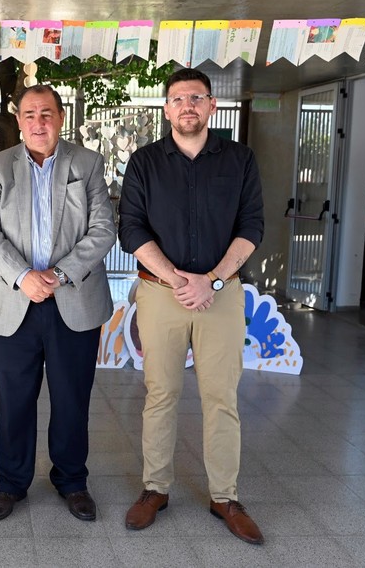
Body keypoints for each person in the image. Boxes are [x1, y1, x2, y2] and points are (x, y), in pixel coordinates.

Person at [118, 68, 265, 544]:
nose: (187, 106)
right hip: (162, 295)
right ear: (166, 109)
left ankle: (225, 496)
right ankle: (155, 488)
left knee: (222, 397)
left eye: (196, 98)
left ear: (211, 106)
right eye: (178, 99)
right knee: (161, 394)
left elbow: (252, 226)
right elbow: (132, 229)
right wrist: (178, 279)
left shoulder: (240, 160)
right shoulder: (144, 162)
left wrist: (213, 281)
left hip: (220, 296)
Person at [0, 84, 116, 522]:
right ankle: (11, 483)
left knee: (72, 398)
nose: (39, 122)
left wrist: (57, 274)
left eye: (47, 113)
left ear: (60, 117)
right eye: (30, 114)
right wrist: (23, 276)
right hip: (15, 302)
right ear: (19, 121)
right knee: (13, 401)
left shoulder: (87, 163)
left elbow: (104, 228)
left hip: (72, 298)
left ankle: (72, 479)